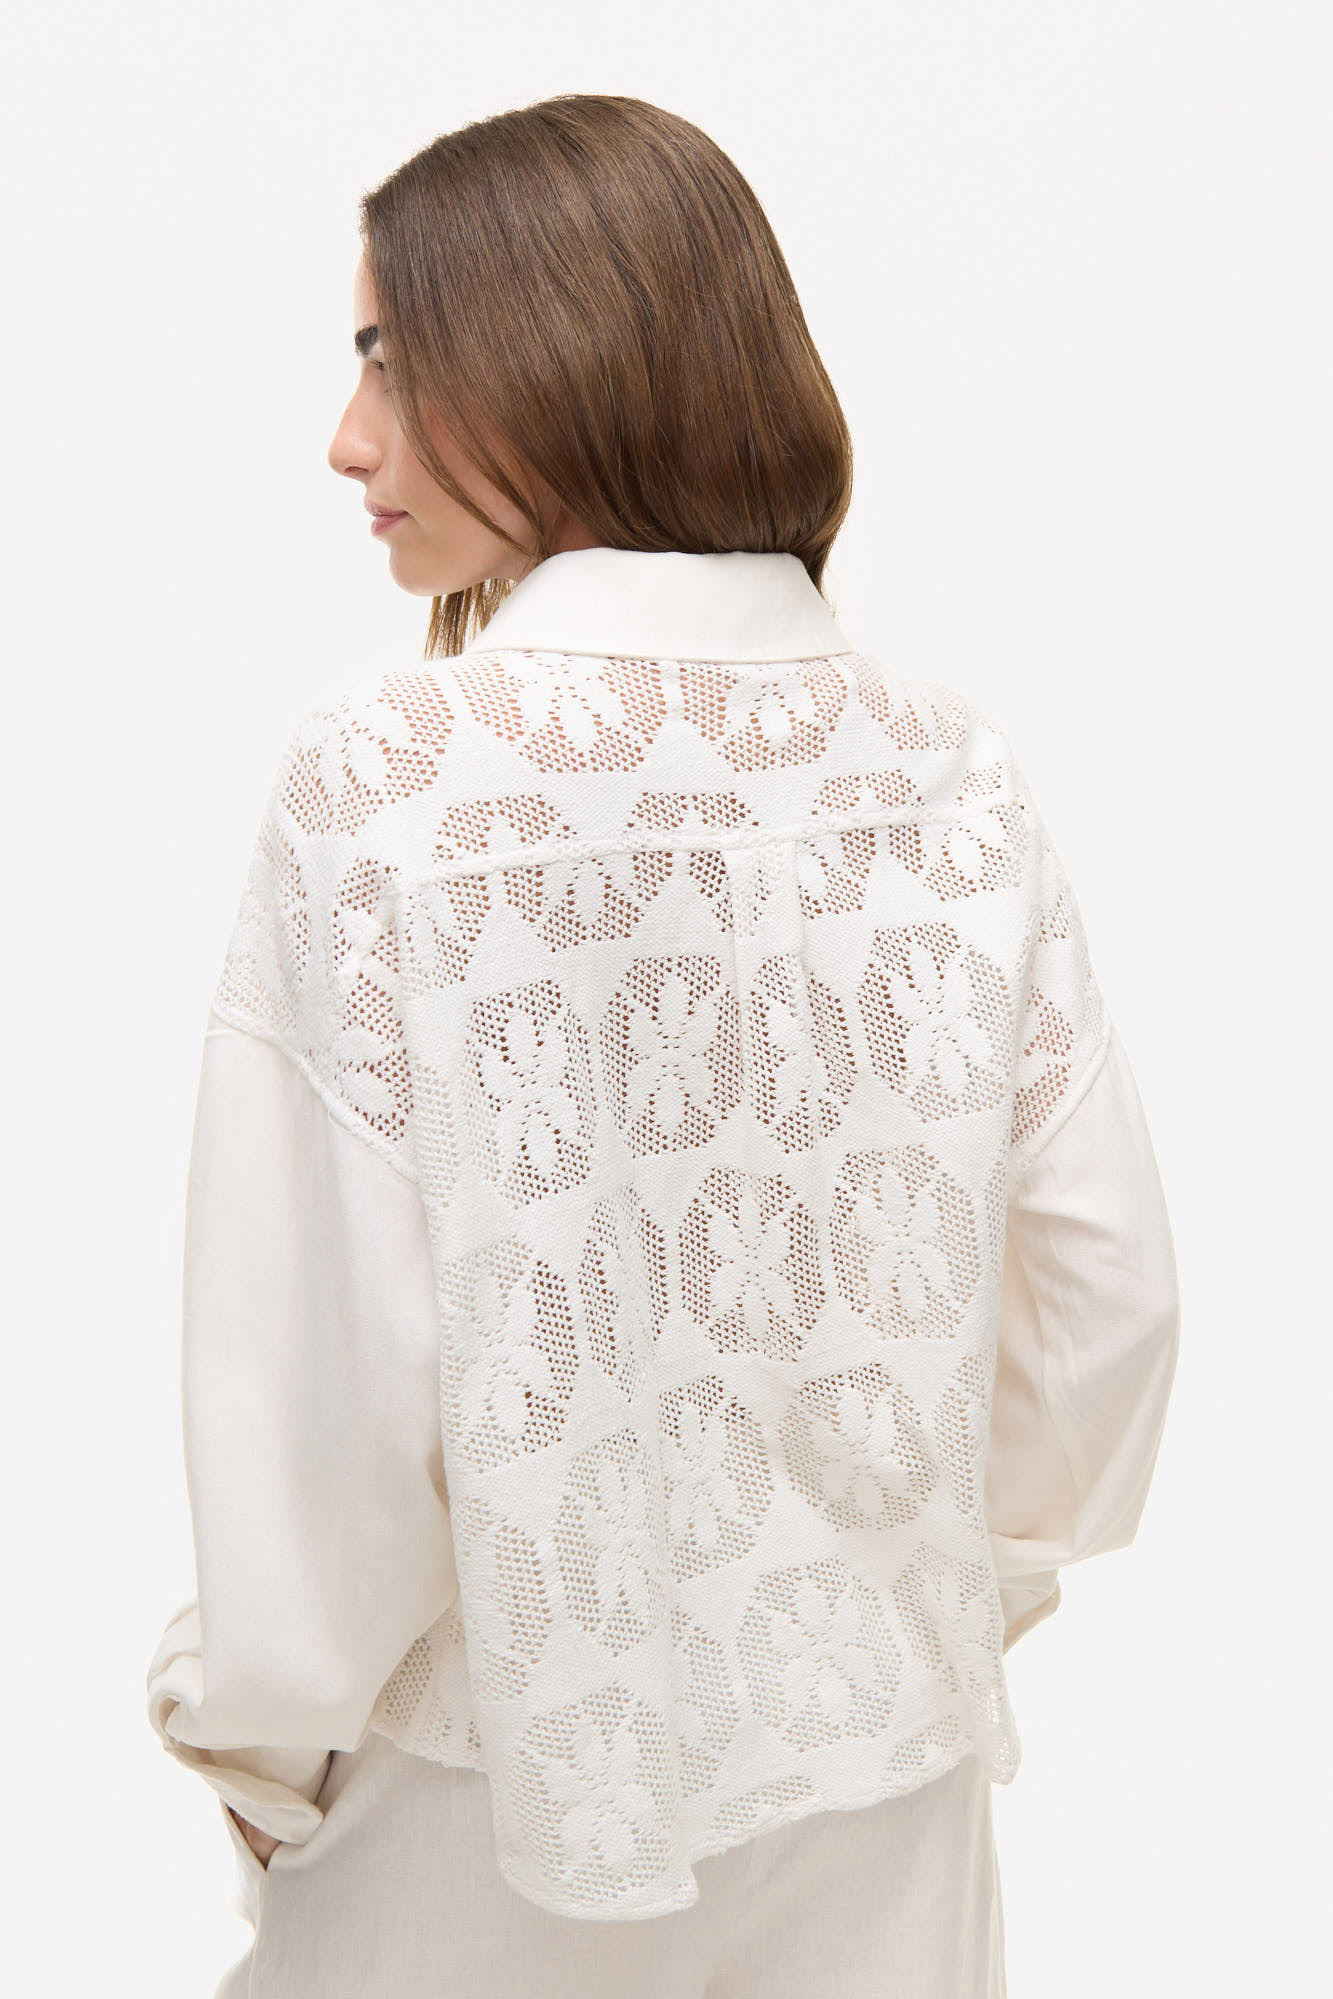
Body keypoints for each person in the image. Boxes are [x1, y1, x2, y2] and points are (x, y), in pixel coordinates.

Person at [144, 92, 1180, 1999]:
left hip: (488, 1797)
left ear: (553, 361)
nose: (346, 436)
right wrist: (926, 1594)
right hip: (888, 1793)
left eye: (389, 357)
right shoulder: (946, 770)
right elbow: (1105, 1294)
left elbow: (333, 1385)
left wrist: (264, 1743)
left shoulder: (394, 781)